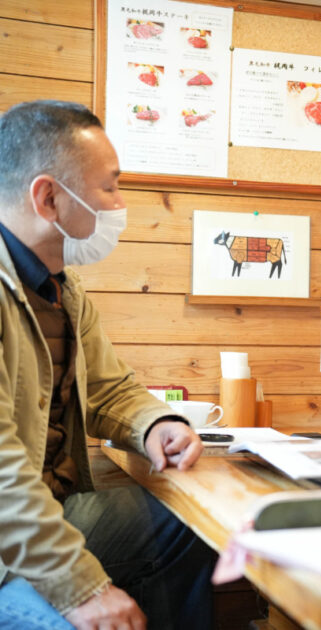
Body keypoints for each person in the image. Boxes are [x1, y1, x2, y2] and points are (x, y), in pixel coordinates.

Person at [0, 101, 215, 629]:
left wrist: (156, 424)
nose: (120, 204)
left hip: (49, 513)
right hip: (8, 548)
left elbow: (111, 389)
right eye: (110, 187)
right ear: (48, 197)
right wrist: (83, 589)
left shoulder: (62, 291)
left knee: (193, 526)